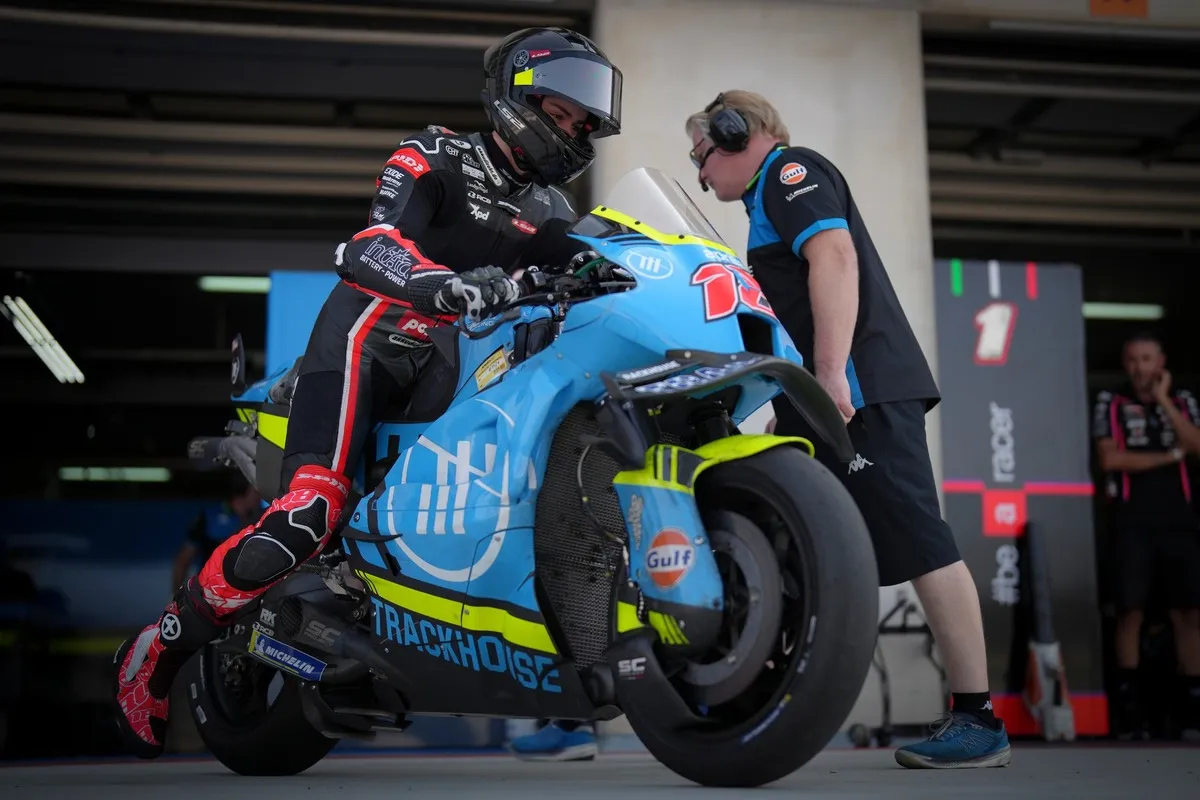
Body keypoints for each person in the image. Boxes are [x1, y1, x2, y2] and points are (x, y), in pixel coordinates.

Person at [113, 26, 623, 759]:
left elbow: (595, 267)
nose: (573, 129)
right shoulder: (438, 154)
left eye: (584, 123)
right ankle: (156, 651)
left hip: (451, 365)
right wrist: (442, 285)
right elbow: (369, 246)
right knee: (313, 510)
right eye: (563, 111)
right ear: (518, 96)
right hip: (367, 341)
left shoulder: (548, 208)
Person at [683, 91, 1009, 769]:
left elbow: (833, 258)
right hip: (830, 397)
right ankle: (762, 698)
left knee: (921, 542)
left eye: (703, 153)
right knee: (794, 542)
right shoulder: (765, 201)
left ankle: (979, 720)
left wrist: (830, 377)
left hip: (861, 393)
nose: (699, 172)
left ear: (736, 131)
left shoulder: (791, 173)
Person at [1093, 332, 1200, 739]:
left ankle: (1191, 711)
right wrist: (1171, 456)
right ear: (1126, 363)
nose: (1141, 367)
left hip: (1181, 522)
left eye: (1148, 359)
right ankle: (1130, 713)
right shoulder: (1111, 401)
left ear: (1162, 362)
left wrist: (1168, 402)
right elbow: (1110, 457)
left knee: (1189, 614)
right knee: (1130, 612)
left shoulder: (1184, 401)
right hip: (1130, 523)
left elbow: (1197, 444)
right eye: (1134, 359)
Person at [171, 476, 261, 592]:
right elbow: (183, 559)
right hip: (211, 592)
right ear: (243, 493)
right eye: (256, 491)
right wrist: (176, 596)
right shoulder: (209, 517)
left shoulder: (260, 518)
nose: (260, 495)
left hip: (248, 592)